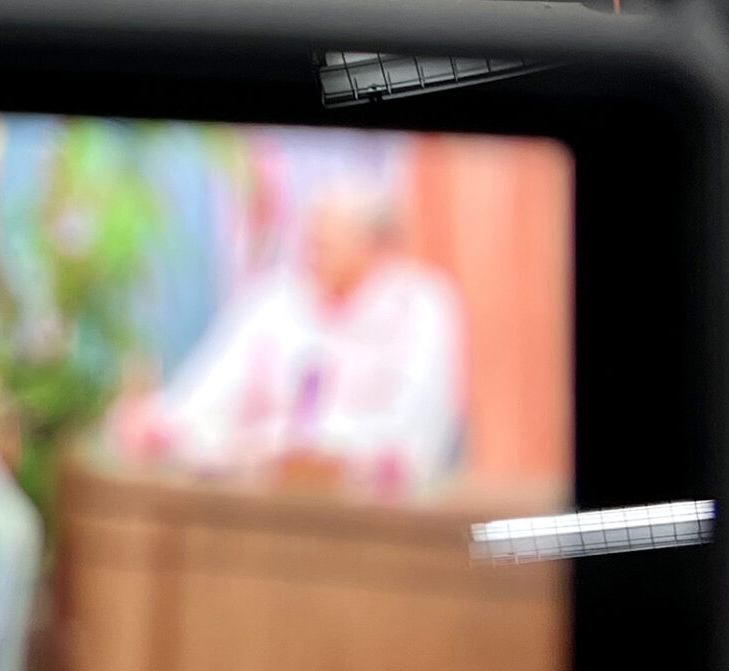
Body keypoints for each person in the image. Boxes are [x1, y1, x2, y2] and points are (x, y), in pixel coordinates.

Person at [108, 180, 466, 496]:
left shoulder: (423, 305)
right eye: (310, 238)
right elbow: (205, 397)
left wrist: (322, 448)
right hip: (267, 508)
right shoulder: (274, 300)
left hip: (384, 522)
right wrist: (160, 424)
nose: (311, 250)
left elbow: (420, 437)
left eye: (327, 240)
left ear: (376, 245)